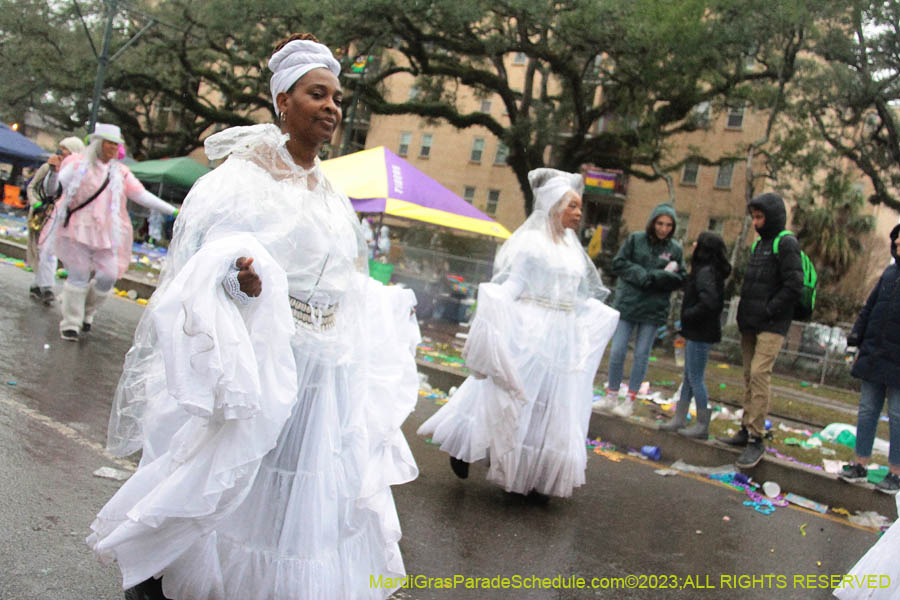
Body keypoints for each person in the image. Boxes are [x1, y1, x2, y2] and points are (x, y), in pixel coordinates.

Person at [86, 34, 421, 600]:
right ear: (283, 101)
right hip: (264, 362)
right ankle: (173, 572)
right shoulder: (242, 180)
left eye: (337, 98)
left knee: (289, 494)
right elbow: (205, 264)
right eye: (318, 94)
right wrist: (238, 283)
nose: (332, 107)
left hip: (321, 373)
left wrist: (379, 311)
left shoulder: (329, 192)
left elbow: (338, 276)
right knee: (236, 472)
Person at [417, 168, 620, 502]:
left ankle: (534, 475)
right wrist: (493, 302)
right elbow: (515, 284)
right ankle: (465, 445)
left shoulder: (572, 249)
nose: (578, 213)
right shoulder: (532, 245)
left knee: (549, 403)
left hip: (562, 335)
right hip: (532, 330)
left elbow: (575, 294)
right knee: (508, 391)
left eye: (579, 207)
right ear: (554, 206)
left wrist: (595, 312)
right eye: (572, 206)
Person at [40, 123, 177, 341]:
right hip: (76, 229)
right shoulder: (76, 165)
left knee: (108, 276)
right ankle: (71, 323)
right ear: (98, 144)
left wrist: (174, 211)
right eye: (109, 144)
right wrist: (53, 173)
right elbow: (52, 190)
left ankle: (87, 311)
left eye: (116, 144)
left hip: (106, 234)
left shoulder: (121, 173)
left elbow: (141, 195)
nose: (114, 148)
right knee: (78, 276)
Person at [717, 192, 803, 468]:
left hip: (772, 323)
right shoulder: (758, 245)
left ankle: (757, 436)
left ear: (772, 217)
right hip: (751, 322)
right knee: (748, 376)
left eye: (760, 217)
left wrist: (769, 309)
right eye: (753, 217)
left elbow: (794, 284)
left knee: (759, 374)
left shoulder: (786, 244)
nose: (755, 223)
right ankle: (745, 427)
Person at [602, 202, 686, 417]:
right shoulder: (635, 240)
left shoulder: (675, 249)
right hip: (628, 303)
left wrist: (659, 276)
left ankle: (630, 399)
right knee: (617, 350)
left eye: (668, 225)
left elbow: (681, 277)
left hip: (653, 309)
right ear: (652, 222)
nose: (663, 229)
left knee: (641, 354)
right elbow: (618, 263)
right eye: (660, 223)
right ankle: (611, 395)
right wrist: (640, 274)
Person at [838, 224, 900, 495]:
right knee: (866, 411)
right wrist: (855, 340)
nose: (897, 244)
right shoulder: (889, 273)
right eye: (896, 241)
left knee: (897, 416)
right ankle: (860, 464)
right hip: (874, 355)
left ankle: (896, 472)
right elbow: (869, 308)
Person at [659, 232, 732, 438]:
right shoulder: (710, 271)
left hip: (700, 331)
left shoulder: (705, 272)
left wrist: (688, 315)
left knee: (695, 377)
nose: (693, 245)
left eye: (697, 243)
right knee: (689, 376)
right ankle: (680, 418)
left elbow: (709, 302)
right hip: (699, 330)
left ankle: (701, 423)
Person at [25, 136, 85, 304]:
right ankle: (45, 286)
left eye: (64, 148)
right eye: (60, 147)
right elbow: (33, 186)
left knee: (50, 251)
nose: (60, 151)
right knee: (42, 249)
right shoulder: (49, 166)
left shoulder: (80, 171)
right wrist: (36, 203)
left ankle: (39, 285)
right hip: (43, 213)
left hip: (65, 217)